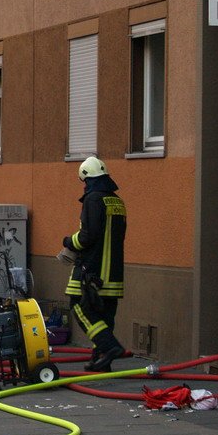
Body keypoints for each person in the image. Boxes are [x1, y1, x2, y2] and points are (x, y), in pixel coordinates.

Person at [59, 155, 127, 372]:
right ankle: (101, 361)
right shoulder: (117, 201)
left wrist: (70, 241)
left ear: (87, 179)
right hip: (114, 273)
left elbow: (88, 236)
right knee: (105, 315)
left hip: (92, 270)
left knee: (79, 306)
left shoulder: (93, 199)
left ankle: (109, 347)